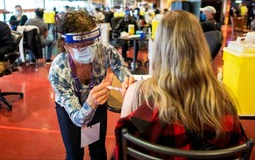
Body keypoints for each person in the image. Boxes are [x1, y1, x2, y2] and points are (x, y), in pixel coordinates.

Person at [113, 10, 247, 159]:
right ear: (201, 47)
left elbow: (121, 153)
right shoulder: (224, 98)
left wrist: (130, 99)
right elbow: (237, 150)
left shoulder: (136, 93)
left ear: (159, 49)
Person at [48, 10, 134, 160]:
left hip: (97, 101)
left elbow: (120, 67)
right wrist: (90, 103)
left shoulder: (104, 51)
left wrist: (127, 81)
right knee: (75, 153)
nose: (89, 49)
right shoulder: (58, 70)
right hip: (71, 110)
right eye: (81, 46)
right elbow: (77, 118)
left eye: (91, 42)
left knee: (97, 148)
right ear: (65, 44)